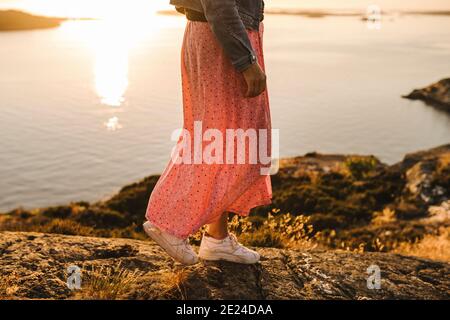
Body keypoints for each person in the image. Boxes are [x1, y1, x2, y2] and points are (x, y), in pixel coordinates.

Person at [143, 0, 272, 265]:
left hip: (221, 36)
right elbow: (219, 4)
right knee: (231, 143)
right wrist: (246, 61)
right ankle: (168, 223)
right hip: (223, 40)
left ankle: (217, 239)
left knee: (224, 141)